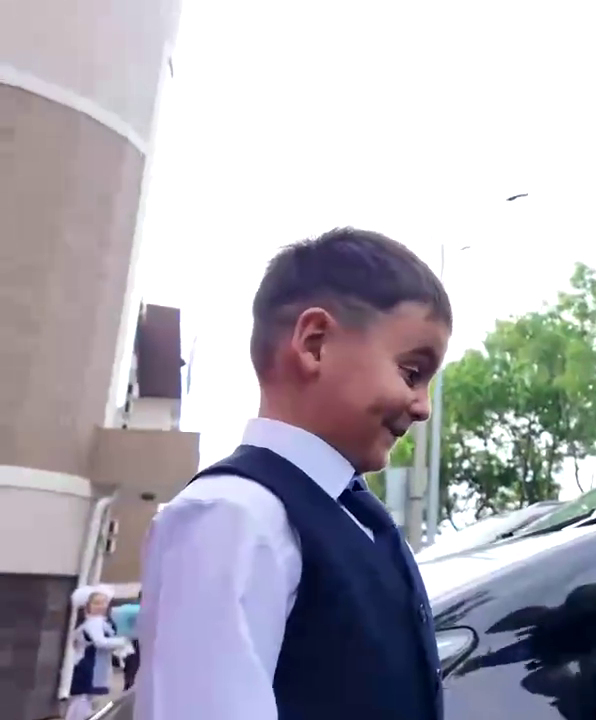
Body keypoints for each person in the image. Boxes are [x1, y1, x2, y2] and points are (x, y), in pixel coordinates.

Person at [134, 228, 451, 720]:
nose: (423, 407)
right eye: (411, 373)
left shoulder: (355, 520)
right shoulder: (232, 516)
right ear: (315, 343)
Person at [68, 585, 132, 720]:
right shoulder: (93, 623)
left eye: (104, 602)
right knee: (83, 700)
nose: (101, 606)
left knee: (87, 699)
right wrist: (123, 641)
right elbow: (100, 642)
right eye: (96, 603)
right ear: (87, 605)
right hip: (88, 665)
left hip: (97, 665)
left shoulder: (101, 622)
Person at [110, 594, 142, 690]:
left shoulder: (126, 609)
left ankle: (129, 684)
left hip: (127, 640)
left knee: (131, 666)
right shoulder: (136, 610)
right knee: (134, 664)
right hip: (135, 640)